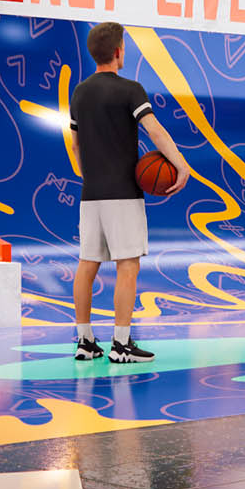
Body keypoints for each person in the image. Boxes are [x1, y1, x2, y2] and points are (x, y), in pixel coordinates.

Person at [67, 22, 190, 364]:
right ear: (119, 51)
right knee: (128, 265)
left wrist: (91, 175)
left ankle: (85, 341)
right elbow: (155, 131)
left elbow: (76, 146)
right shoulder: (131, 89)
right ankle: (121, 345)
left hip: (91, 193)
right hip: (123, 192)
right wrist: (180, 165)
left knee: (87, 263)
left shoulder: (79, 93)